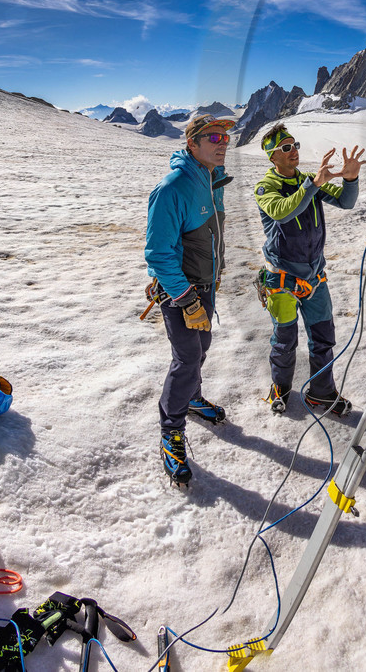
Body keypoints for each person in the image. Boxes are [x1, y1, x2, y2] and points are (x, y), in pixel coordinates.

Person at [144, 113, 234, 486]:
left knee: (202, 347)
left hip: (205, 285)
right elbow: (159, 254)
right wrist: (188, 301)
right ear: (191, 145)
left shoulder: (213, 181)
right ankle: (171, 432)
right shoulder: (173, 187)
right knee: (186, 359)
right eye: (212, 137)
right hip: (183, 291)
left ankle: (193, 398)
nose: (221, 142)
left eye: (225, 137)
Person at [254, 125, 366, 415]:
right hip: (283, 279)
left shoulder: (309, 180)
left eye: (295, 145)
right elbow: (283, 212)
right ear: (272, 157)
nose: (294, 151)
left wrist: (351, 179)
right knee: (285, 340)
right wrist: (313, 185)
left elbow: (346, 201)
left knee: (322, 337)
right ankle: (280, 388)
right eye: (286, 148)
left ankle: (322, 393)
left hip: (315, 277)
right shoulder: (266, 187)